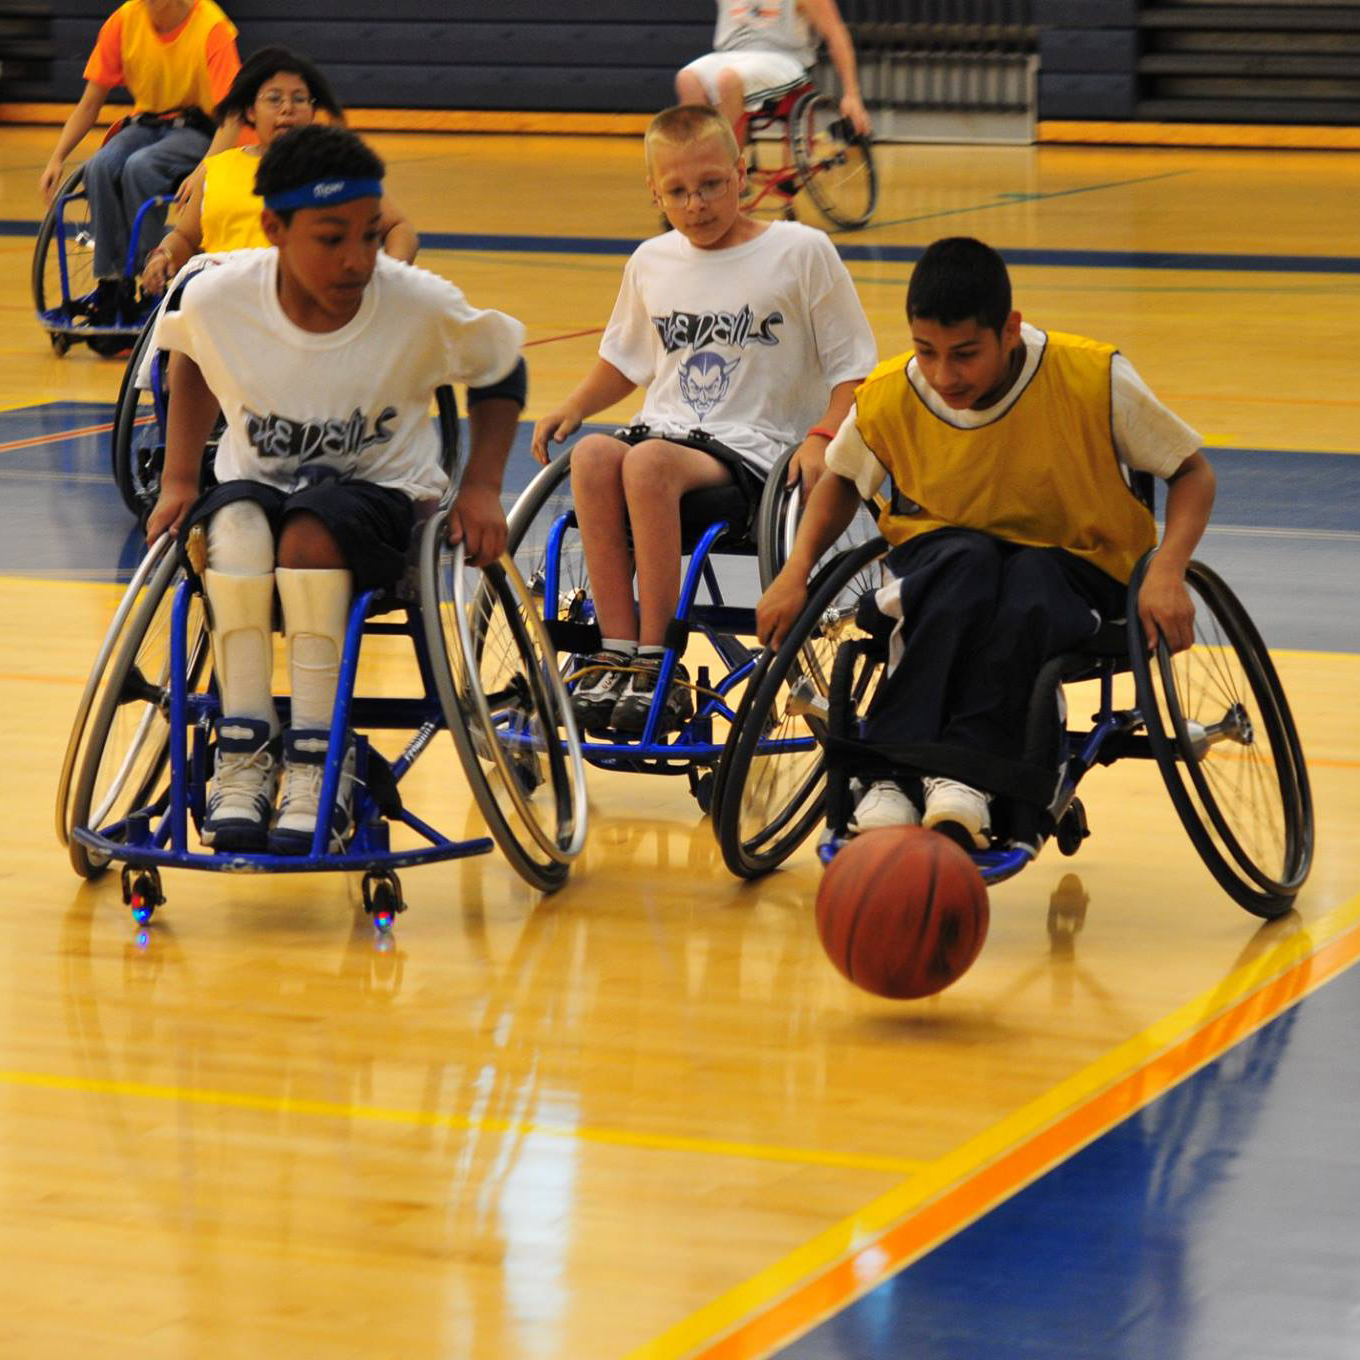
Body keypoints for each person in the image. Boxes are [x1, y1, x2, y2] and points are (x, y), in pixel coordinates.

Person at [757, 236, 1216, 848]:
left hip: (1078, 566)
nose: (945, 375)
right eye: (927, 352)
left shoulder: (1091, 376)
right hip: (946, 564)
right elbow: (841, 478)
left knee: (1024, 580)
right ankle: (891, 773)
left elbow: (1193, 472)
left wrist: (1169, 571)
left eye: (966, 354)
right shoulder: (893, 392)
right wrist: (795, 571)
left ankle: (965, 773)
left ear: (1010, 331)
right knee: (965, 563)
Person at [143, 124, 528, 854]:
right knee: (236, 528)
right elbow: (185, 355)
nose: (356, 259)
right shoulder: (222, 294)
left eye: (370, 235)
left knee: (308, 529)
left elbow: (501, 365)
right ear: (274, 229)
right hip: (260, 490)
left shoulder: (417, 300)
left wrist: (481, 486)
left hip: (383, 497)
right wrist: (181, 477)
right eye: (330, 238)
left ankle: (318, 757)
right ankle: (244, 749)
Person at [531, 103, 876, 736]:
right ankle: (616, 649)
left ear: (742, 173)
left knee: (646, 463)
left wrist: (823, 437)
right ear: (654, 192)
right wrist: (575, 407)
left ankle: (660, 657)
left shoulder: (801, 251)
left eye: (711, 184)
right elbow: (625, 360)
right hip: (662, 433)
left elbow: (852, 369)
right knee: (592, 455)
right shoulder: (651, 260)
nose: (696, 204)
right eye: (678, 192)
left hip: (756, 451)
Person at [141, 46, 417, 296]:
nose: (287, 109)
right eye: (274, 99)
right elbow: (185, 238)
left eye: (299, 99)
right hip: (224, 303)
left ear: (311, 111)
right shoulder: (218, 169)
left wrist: (388, 279)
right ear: (251, 111)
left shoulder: (336, 167)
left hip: (306, 305)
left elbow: (398, 228)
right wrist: (163, 254)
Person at [38, 0, 242, 322]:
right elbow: (90, 103)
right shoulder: (124, 20)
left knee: (140, 167)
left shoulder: (211, 26)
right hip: (146, 125)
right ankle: (112, 283)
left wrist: (204, 169)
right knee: (99, 166)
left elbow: (233, 117)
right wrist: (57, 157)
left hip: (200, 130)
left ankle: (154, 282)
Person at [676, 0, 871, 142]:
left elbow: (835, 35)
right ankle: (697, 170)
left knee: (729, 79)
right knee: (688, 79)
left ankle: (729, 177)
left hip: (785, 60)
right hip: (731, 55)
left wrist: (852, 95)